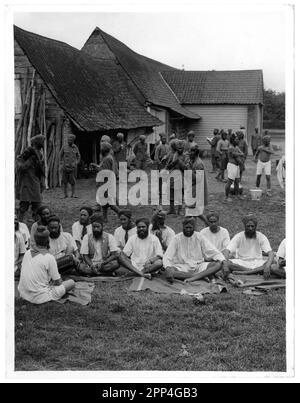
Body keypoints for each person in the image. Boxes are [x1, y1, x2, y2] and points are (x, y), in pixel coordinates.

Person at [18, 226, 75, 304]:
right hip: (40, 297)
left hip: (23, 294)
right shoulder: (49, 257)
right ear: (48, 240)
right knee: (71, 283)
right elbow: (58, 282)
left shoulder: (27, 253)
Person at [163, 216, 228, 284]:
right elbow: (167, 256)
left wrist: (224, 261)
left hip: (198, 266)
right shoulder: (176, 238)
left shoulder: (199, 236)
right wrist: (167, 268)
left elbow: (213, 251)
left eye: (190, 228)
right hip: (182, 266)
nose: (188, 230)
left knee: (218, 264)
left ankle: (193, 277)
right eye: (186, 227)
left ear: (194, 227)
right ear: (183, 226)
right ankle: (201, 276)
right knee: (171, 271)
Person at [16, 134, 45, 221]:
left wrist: (41, 182)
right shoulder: (30, 153)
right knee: (23, 206)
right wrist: (25, 160)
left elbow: (40, 171)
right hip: (27, 183)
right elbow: (21, 167)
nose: (43, 143)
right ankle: (19, 224)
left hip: (35, 182)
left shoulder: (39, 153)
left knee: (37, 206)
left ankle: (37, 224)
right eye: (42, 141)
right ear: (38, 143)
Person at [92, 142, 119, 222]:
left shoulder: (107, 159)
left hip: (106, 183)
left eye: (101, 148)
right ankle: (105, 218)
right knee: (104, 202)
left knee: (110, 203)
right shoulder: (108, 157)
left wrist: (96, 168)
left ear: (104, 150)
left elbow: (105, 172)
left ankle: (122, 214)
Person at [185, 145, 208, 226]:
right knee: (193, 210)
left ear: (195, 153)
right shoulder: (191, 161)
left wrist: (188, 169)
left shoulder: (199, 164)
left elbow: (197, 179)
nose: (189, 153)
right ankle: (207, 223)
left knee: (191, 210)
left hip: (196, 188)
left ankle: (193, 229)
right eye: (189, 151)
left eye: (191, 152)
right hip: (191, 187)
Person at [166, 140, 189, 215]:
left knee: (180, 194)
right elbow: (167, 166)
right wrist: (173, 163)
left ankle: (180, 210)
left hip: (181, 177)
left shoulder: (186, 156)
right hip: (172, 176)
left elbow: (186, 168)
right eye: (178, 148)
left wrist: (179, 162)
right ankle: (171, 209)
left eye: (181, 148)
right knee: (171, 193)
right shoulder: (172, 155)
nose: (180, 150)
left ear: (183, 148)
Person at [224, 133, 245, 202]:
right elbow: (236, 155)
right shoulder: (231, 148)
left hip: (236, 166)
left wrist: (241, 154)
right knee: (229, 182)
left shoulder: (236, 147)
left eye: (238, 139)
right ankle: (226, 197)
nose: (238, 140)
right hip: (232, 166)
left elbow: (241, 153)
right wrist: (241, 155)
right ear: (232, 140)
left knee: (237, 181)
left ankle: (237, 195)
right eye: (236, 139)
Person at [59, 134, 81, 198]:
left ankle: (73, 194)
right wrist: (62, 163)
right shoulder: (64, 147)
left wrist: (76, 162)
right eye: (68, 139)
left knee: (73, 182)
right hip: (65, 168)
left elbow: (78, 156)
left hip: (72, 168)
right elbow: (60, 155)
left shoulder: (75, 147)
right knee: (64, 181)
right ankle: (64, 194)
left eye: (71, 140)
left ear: (73, 140)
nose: (69, 140)